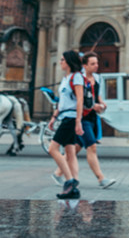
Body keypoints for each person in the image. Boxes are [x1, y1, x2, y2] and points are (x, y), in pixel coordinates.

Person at [48, 51, 86, 199]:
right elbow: (62, 102)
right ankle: (73, 187)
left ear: (69, 62)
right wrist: (54, 117)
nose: (61, 62)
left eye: (63, 60)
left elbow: (80, 100)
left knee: (53, 149)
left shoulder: (77, 77)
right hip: (64, 117)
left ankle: (69, 182)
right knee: (70, 152)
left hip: (71, 118)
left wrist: (78, 121)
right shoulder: (66, 78)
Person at [79, 53, 116, 189]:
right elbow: (79, 100)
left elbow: (97, 95)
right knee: (92, 147)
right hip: (82, 117)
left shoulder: (97, 78)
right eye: (93, 64)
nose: (96, 66)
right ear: (85, 65)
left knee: (76, 148)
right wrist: (94, 106)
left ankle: (58, 173)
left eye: (97, 63)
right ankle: (101, 178)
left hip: (93, 117)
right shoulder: (80, 80)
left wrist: (102, 103)